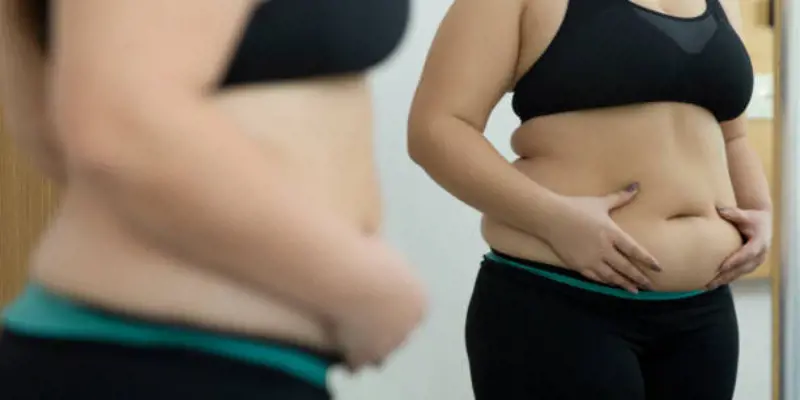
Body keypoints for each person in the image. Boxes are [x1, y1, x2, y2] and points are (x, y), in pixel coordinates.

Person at [0, 0, 426, 398]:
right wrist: (367, 288)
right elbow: (117, 126)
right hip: (158, 361)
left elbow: (49, 130)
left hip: (186, 358)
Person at [408, 0, 771, 399]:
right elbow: (436, 127)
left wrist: (760, 211)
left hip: (703, 314)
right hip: (561, 303)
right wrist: (554, 220)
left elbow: (733, 137)